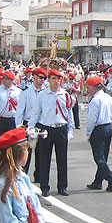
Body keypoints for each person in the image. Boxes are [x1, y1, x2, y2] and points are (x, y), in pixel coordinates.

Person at [28, 69, 74, 197]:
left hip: (61, 128)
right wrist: (31, 127)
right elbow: (36, 112)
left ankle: (62, 186)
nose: (56, 81)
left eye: (58, 79)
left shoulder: (65, 95)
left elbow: (69, 114)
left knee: (62, 159)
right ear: (48, 80)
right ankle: (44, 186)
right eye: (53, 78)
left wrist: (70, 130)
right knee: (44, 159)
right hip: (46, 128)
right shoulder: (42, 95)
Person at [85, 76, 112, 192]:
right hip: (108, 126)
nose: (88, 90)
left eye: (89, 88)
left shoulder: (95, 100)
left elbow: (92, 119)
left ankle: (111, 179)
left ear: (94, 88)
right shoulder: (107, 97)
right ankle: (98, 181)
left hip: (99, 128)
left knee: (99, 157)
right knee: (104, 156)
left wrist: (89, 132)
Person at [15, 68, 47, 179]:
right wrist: (19, 126)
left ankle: (38, 175)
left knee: (41, 151)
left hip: (41, 123)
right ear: (35, 77)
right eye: (41, 77)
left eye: (44, 78)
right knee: (26, 150)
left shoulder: (46, 91)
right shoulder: (26, 91)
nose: (43, 80)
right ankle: (23, 173)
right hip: (28, 122)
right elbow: (20, 110)